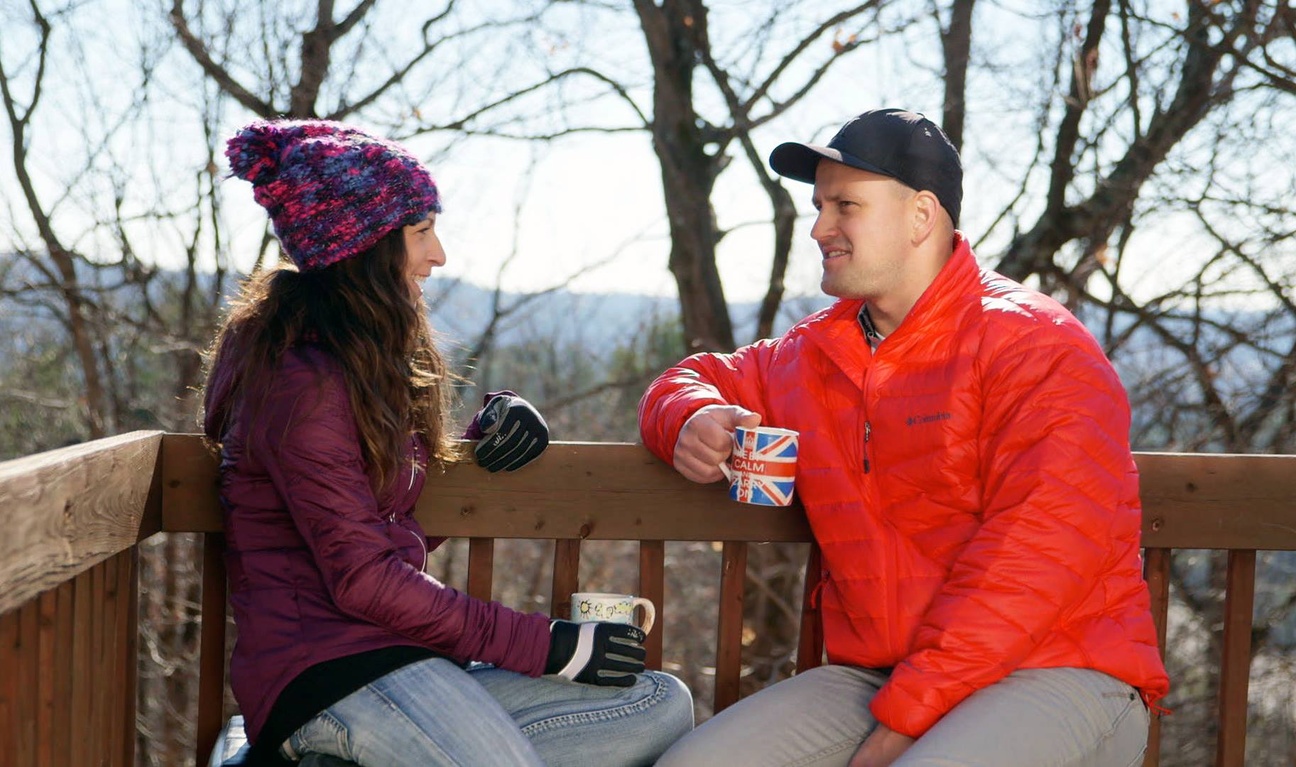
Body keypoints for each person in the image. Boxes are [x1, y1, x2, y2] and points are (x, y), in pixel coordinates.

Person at [639, 108, 1169, 767]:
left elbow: (1034, 556)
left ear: (921, 216)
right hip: (880, 672)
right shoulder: (812, 355)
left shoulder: (1036, 347)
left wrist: (910, 713)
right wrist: (689, 418)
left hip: (1059, 666)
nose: (819, 227)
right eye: (818, 205)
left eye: (844, 205)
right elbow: (690, 376)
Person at [201, 119, 692, 767]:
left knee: (657, 700)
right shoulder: (301, 382)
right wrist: (549, 644)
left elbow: (379, 520)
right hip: (326, 675)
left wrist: (482, 444)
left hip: (401, 654)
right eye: (421, 231)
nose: (440, 255)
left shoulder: (354, 360)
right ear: (365, 247)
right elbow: (362, 577)